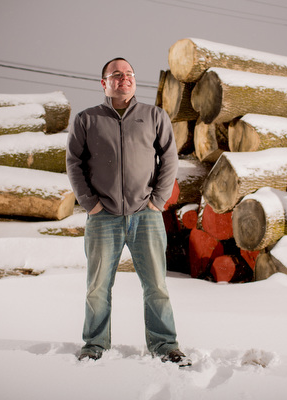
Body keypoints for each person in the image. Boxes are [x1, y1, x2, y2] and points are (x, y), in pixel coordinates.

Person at [66, 57, 190, 367]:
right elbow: (73, 163)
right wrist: (89, 203)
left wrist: (157, 201)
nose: (125, 79)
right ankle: (94, 344)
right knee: (97, 287)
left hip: (145, 215)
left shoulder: (154, 116)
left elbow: (169, 159)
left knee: (156, 285)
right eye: (117, 75)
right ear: (104, 83)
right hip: (102, 217)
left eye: (130, 74)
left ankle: (165, 345)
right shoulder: (87, 119)